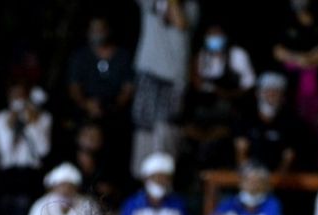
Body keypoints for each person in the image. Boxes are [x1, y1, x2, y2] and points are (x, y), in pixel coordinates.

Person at [130, 0, 199, 176]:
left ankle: (164, 176)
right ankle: (142, 177)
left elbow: (180, 22)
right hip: (148, 71)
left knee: (167, 127)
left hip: (174, 75)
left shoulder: (190, 5)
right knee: (144, 125)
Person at [183, 22, 255, 168]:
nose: (214, 38)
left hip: (230, 110)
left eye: (217, 34)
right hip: (205, 111)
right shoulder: (201, 56)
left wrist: (227, 94)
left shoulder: (237, 55)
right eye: (210, 35)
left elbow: (249, 85)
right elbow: (197, 85)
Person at [0, 82, 52, 215]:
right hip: (8, 172)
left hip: (31, 172)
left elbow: (43, 150)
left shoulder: (43, 117)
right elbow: (4, 150)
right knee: (7, 213)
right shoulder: (0, 118)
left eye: (22, 95)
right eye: (14, 95)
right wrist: (10, 126)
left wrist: (32, 124)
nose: (18, 99)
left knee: (28, 212)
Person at [66, 16, 135, 162]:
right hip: (86, 110)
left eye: (100, 29)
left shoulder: (122, 56)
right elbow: (74, 87)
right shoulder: (80, 56)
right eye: (93, 30)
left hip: (114, 110)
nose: (97, 33)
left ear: (108, 31)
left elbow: (128, 87)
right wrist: (86, 104)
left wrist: (113, 106)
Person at [272, 0, 318, 151]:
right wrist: (299, 59)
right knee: (293, 122)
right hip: (293, 84)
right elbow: (278, 51)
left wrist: (310, 61)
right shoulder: (286, 21)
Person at [233, 73, 303, 173]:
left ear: (283, 96)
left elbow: (289, 156)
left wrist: (275, 180)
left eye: (276, 92)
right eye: (267, 91)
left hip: (278, 178)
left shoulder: (291, 122)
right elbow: (241, 151)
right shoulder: (246, 118)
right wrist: (249, 175)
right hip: (250, 174)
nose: (271, 95)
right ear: (258, 93)